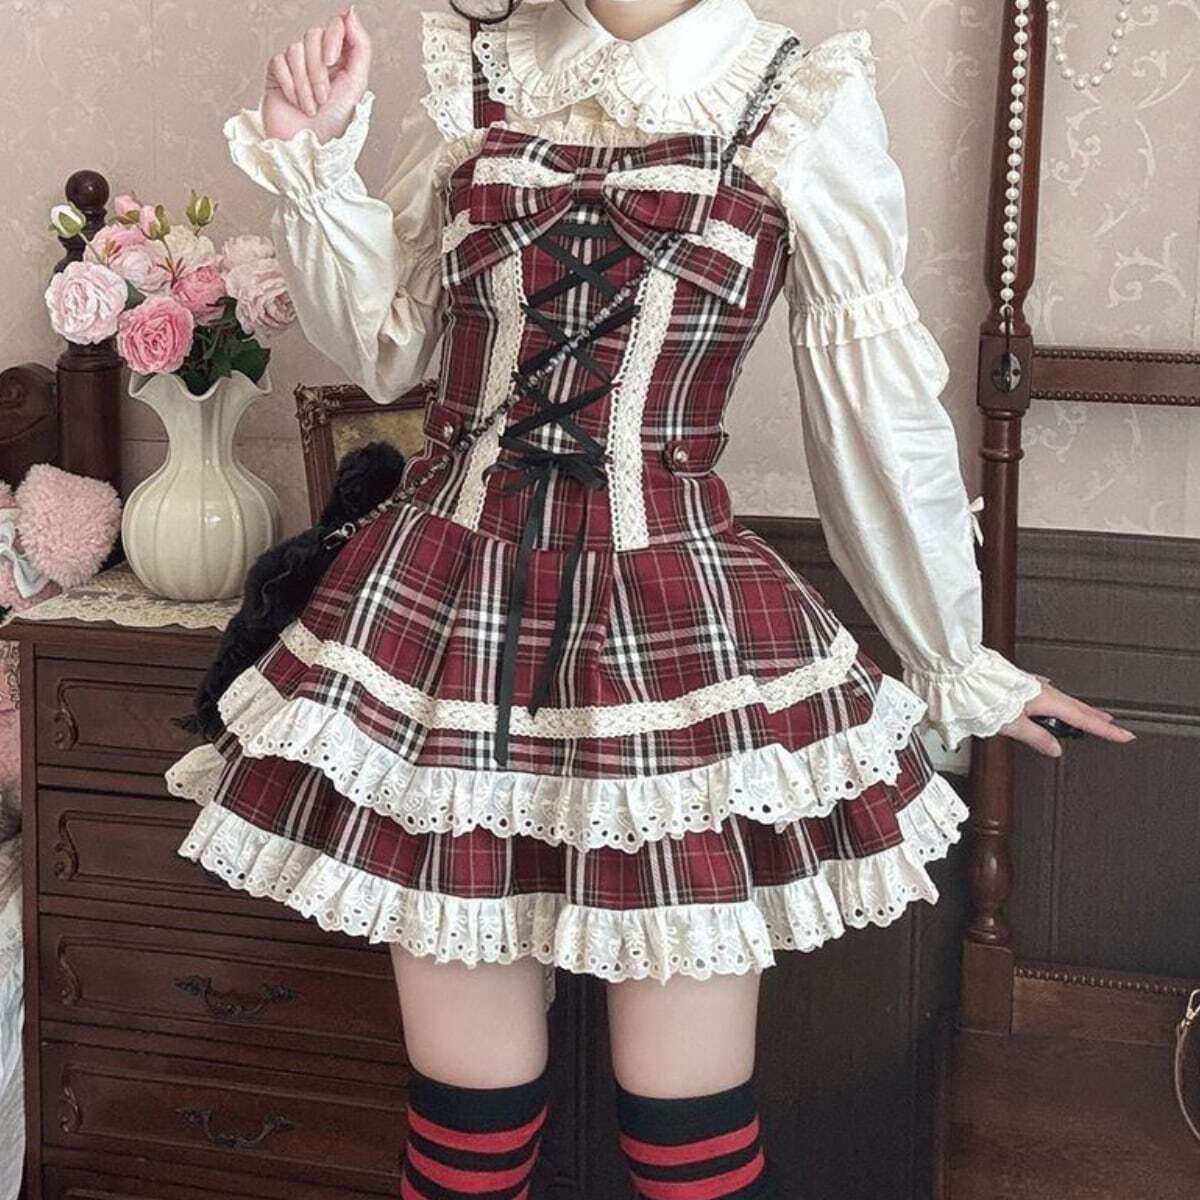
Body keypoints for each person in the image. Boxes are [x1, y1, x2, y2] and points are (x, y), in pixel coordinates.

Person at [165, 2, 1136, 1196]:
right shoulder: (479, 78)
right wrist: (311, 160)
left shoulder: (793, 98)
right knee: (467, 1111)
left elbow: (873, 409)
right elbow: (388, 347)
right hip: (445, 621)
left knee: (686, 1126)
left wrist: (953, 657)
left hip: (669, 626)